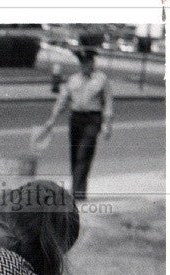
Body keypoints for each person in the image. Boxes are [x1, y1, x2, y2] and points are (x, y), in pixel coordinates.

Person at [43, 48, 113, 201]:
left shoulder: (101, 79)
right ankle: (78, 190)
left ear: (93, 62)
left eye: (89, 62)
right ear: (81, 64)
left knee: (84, 155)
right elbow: (62, 101)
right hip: (76, 119)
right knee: (75, 156)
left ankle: (77, 193)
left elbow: (107, 102)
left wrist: (107, 124)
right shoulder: (73, 80)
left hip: (93, 119)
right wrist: (51, 120)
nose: (87, 65)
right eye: (83, 63)